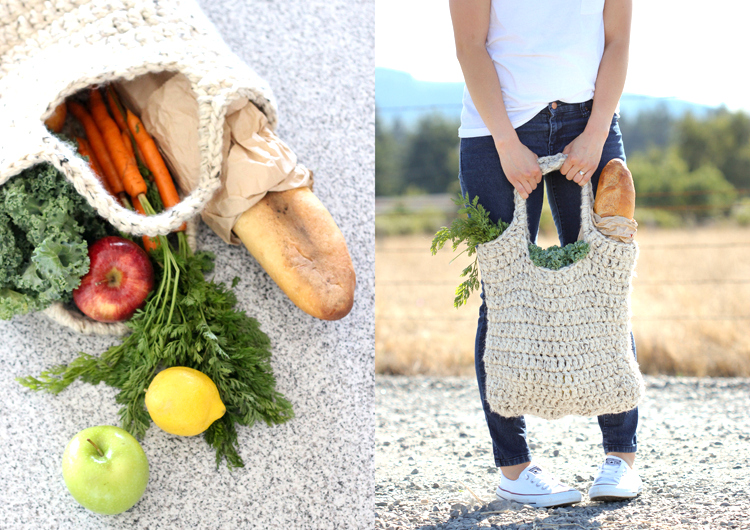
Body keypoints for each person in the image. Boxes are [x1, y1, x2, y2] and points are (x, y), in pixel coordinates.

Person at [449, 0, 641, 508]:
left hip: (591, 122)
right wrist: (507, 143)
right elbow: (470, 46)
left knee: (607, 286)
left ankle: (620, 456)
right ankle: (514, 469)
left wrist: (597, 132)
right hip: (498, 134)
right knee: (504, 295)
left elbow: (618, 39)